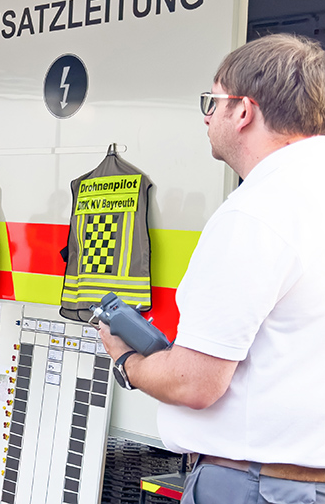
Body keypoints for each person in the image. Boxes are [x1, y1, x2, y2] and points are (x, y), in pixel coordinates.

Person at [100, 33, 325, 503]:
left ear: (243, 111)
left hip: (256, 484)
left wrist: (128, 360)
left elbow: (196, 382)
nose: (206, 115)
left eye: (213, 100)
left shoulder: (256, 211)